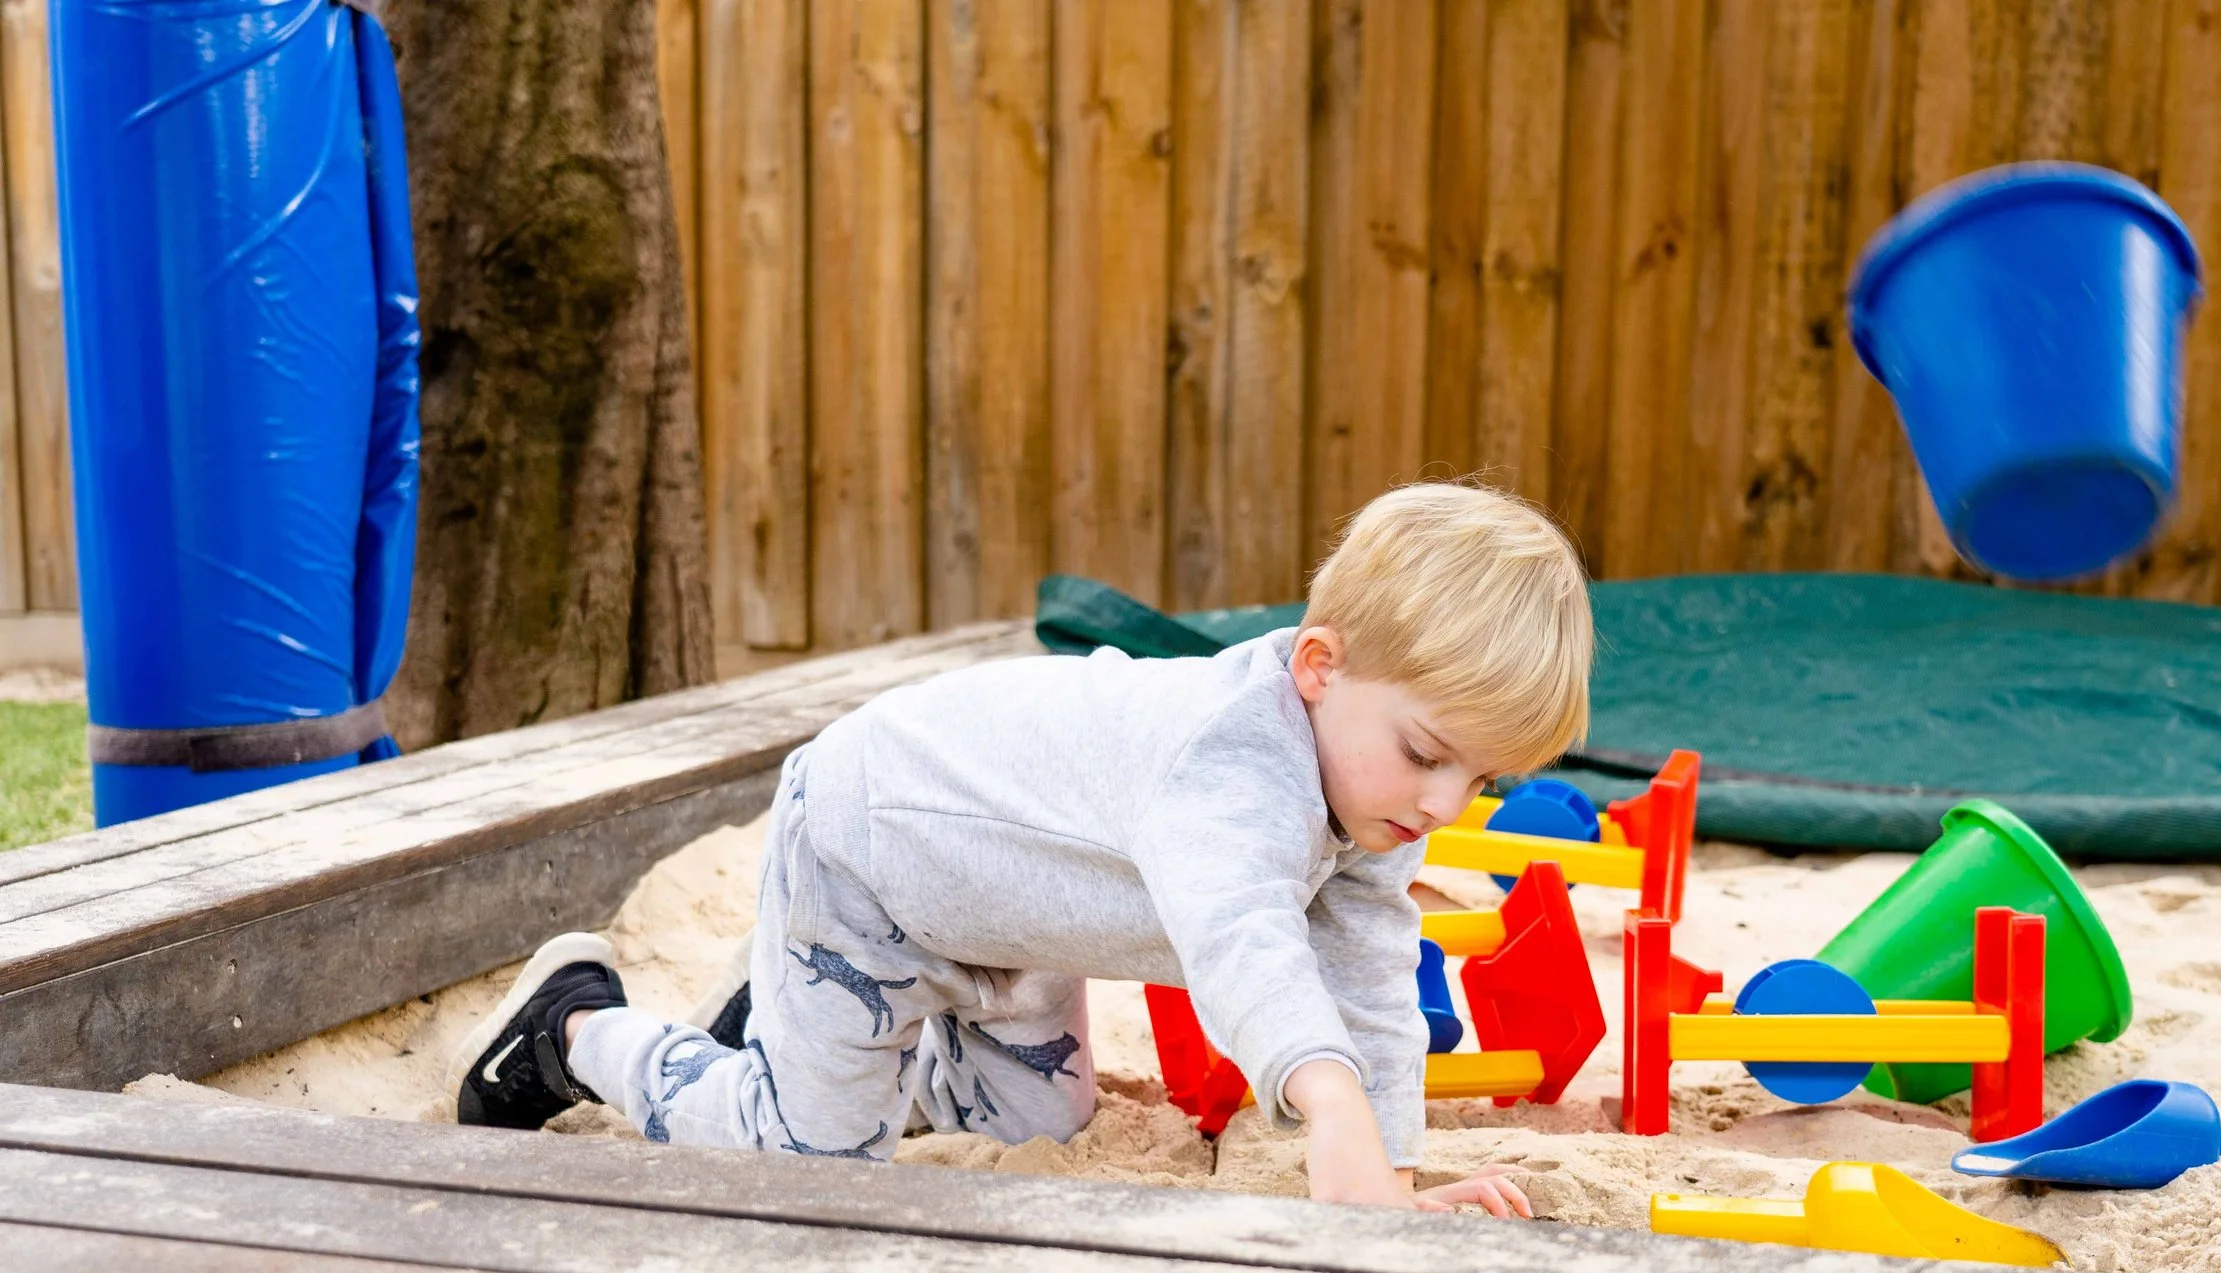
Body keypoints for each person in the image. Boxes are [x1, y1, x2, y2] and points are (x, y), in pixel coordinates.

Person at [447, 482, 1591, 1214]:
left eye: (1478, 779)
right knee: (809, 1161)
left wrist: (1387, 1181)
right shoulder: (1230, 761)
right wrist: (1329, 1106)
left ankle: (789, 1020)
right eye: (1426, 752)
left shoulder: (1371, 794)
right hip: (873, 861)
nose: (1443, 802)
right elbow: (1244, 944)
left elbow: (1372, 984)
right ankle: (576, 1028)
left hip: (1012, 915)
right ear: (1319, 667)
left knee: (1037, 1128)